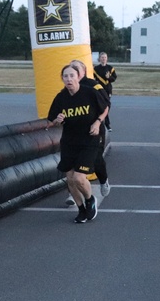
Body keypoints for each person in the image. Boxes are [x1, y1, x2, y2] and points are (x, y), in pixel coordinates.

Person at [47, 64, 108, 223]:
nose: (69, 79)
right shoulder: (61, 98)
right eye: (65, 76)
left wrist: (97, 123)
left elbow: (105, 108)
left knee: (79, 178)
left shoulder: (89, 93)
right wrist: (57, 121)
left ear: (78, 77)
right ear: (62, 79)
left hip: (89, 140)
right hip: (69, 142)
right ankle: (81, 209)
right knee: (70, 178)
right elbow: (51, 120)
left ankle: (89, 200)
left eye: (72, 76)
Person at [70, 59, 111, 198]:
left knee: (95, 158)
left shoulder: (94, 86)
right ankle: (75, 193)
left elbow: (106, 106)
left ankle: (103, 180)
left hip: (94, 129)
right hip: (77, 132)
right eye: (71, 68)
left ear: (84, 71)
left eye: (76, 68)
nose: (73, 70)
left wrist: (98, 122)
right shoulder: (69, 88)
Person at [93, 52, 117, 130]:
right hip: (99, 90)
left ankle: (104, 122)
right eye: (102, 57)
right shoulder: (95, 69)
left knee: (106, 106)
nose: (103, 59)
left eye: (105, 57)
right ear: (99, 59)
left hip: (108, 90)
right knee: (101, 106)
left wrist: (109, 77)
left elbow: (114, 78)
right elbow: (93, 78)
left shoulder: (110, 68)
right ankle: (106, 124)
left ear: (107, 58)